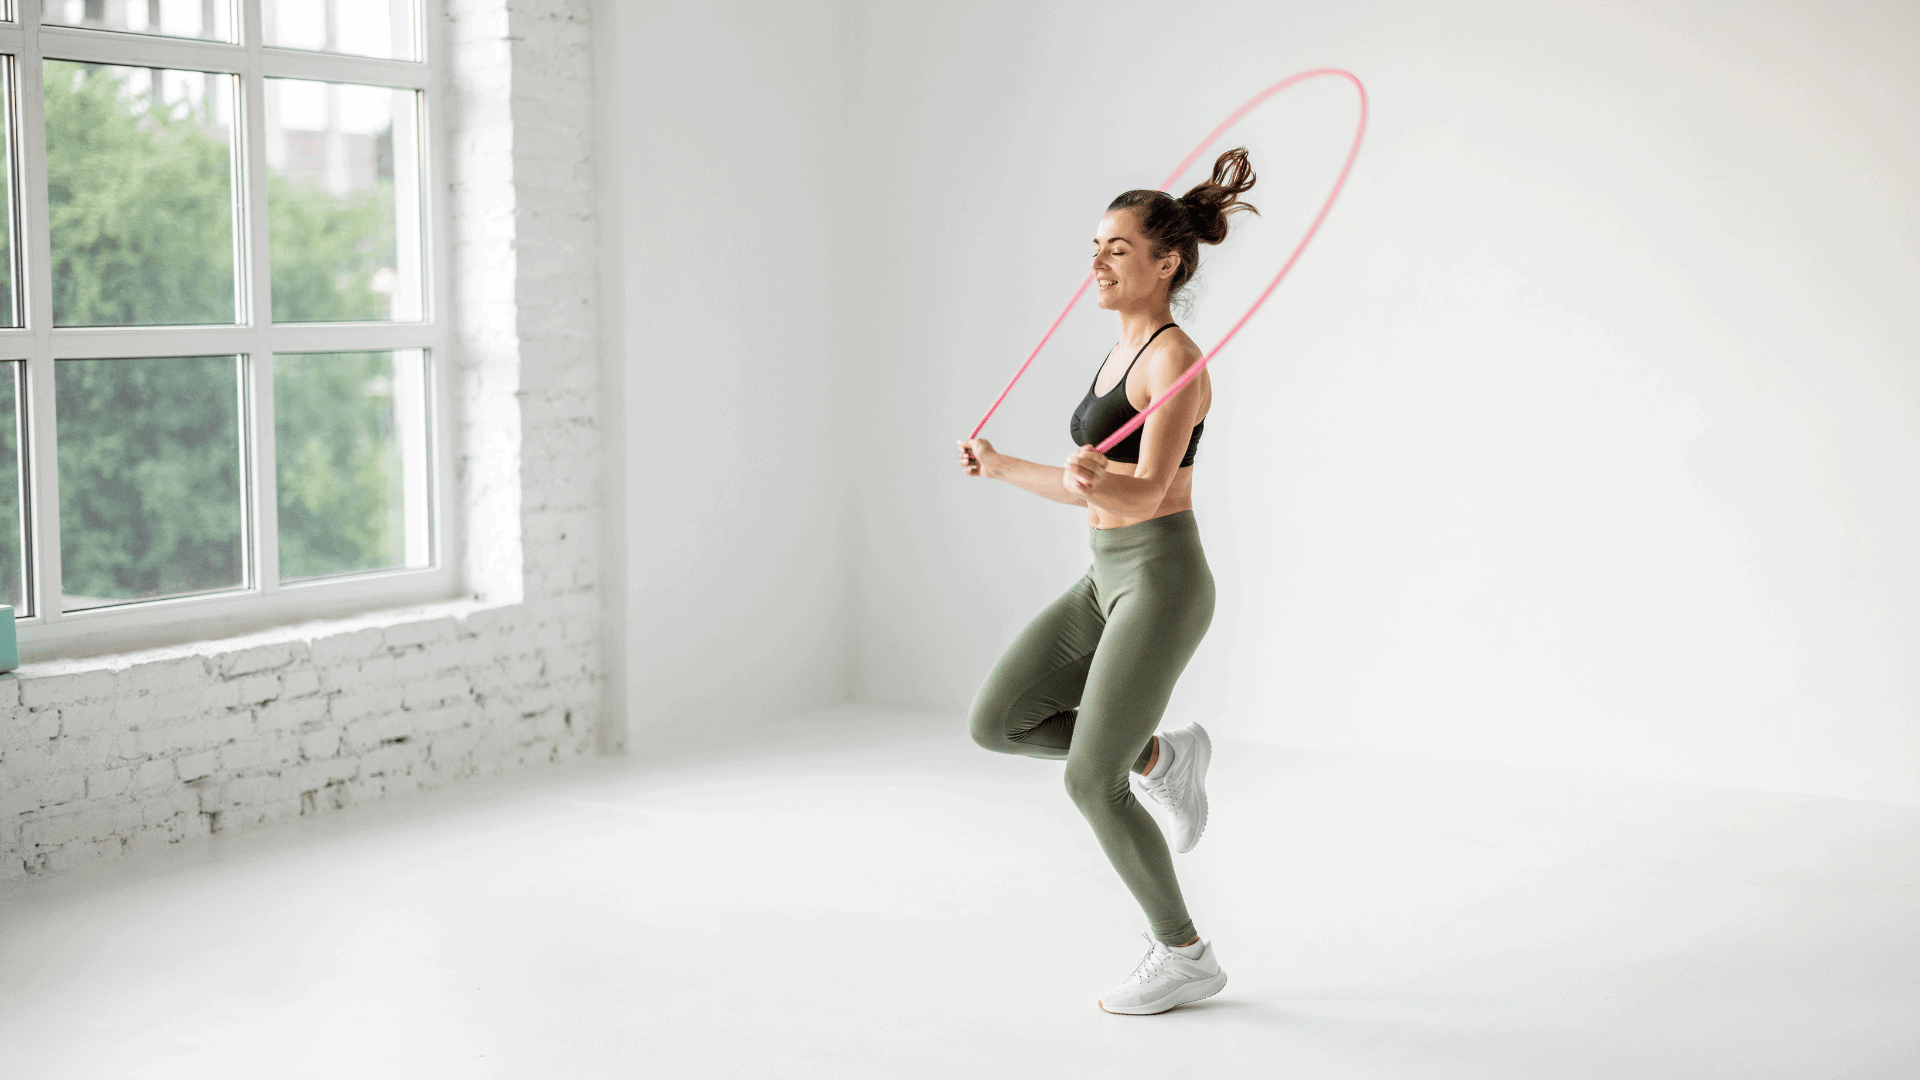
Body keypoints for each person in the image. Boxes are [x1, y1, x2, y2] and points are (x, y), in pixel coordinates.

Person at [957, 148, 1258, 1015]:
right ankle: (1165, 755)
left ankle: (1185, 955)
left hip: (1162, 578)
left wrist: (1098, 480)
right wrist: (1005, 466)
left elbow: (1151, 489)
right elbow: (1090, 487)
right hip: (1107, 576)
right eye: (1095, 245)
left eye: (1117, 248)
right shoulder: (1117, 351)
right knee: (997, 722)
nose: (1097, 261)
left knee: (1091, 780)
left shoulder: (1174, 361)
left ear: (1166, 263)